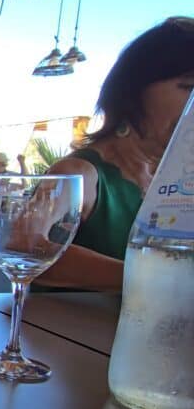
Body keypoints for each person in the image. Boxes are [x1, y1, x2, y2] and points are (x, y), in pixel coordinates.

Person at [39, 16, 194, 291]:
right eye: (188, 87)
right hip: (61, 331)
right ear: (135, 89)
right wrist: (157, 281)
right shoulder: (81, 173)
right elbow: (27, 245)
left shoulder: (176, 182)